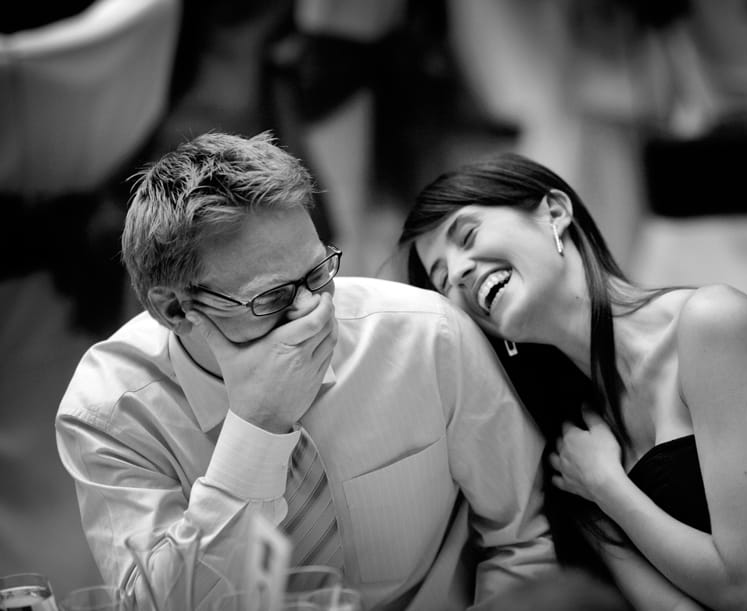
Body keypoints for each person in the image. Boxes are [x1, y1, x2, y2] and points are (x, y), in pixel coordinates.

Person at [54, 133, 556, 611]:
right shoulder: (111, 411)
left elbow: (523, 541)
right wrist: (256, 427)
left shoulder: (427, 338)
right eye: (273, 297)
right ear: (176, 310)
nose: (315, 312)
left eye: (319, 273)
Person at [397, 152, 747, 610]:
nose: (459, 273)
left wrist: (609, 486)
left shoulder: (712, 325)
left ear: (554, 212)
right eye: (442, 280)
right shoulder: (571, 442)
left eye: (467, 237)